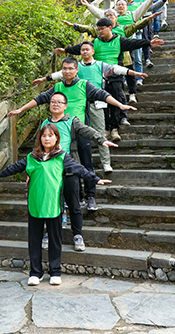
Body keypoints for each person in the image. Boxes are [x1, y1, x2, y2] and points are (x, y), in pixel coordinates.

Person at [0, 123, 108, 286]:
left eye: (50, 135)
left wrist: (95, 179)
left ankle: (55, 271)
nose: (47, 138)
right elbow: (16, 167)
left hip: (54, 205)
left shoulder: (62, 157)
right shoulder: (32, 157)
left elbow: (79, 169)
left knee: (55, 239)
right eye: (44, 136)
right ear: (40, 138)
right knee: (34, 240)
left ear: (56, 138)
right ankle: (35, 273)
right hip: (35, 204)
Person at [34, 42, 146, 173]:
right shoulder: (76, 67)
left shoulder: (100, 65)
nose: (84, 52)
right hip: (80, 105)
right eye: (82, 50)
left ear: (93, 51)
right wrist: (43, 79)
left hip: (96, 103)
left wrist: (134, 73)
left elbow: (116, 69)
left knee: (99, 132)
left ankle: (106, 162)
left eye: (87, 49)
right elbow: (60, 74)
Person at [29, 92, 115, 250]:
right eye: (53, 101)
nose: (55, 104)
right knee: (51, 204)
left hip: (69, 169)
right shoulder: (45, 124)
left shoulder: (72, 121)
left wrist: (101, 139)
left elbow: (87, 130)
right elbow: (38, 149)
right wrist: (31, 173)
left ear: (65, 106)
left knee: (74, 204)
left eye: (59, 102)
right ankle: (49, 233)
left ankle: (78, 235)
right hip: (48, 172)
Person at [55, 17, 164, 139]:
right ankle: (106, 128)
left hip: (115, 76)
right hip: (100, 77)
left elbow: (133, 43)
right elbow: (80, 48)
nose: (100, 31)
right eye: (98, 29)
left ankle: (115, 128)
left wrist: (149, 43)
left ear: (110, 28)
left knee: (116, 100)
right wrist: (65, 51)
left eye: (102, 29)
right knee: (103, 104)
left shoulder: (119, 40)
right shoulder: (95, 42)